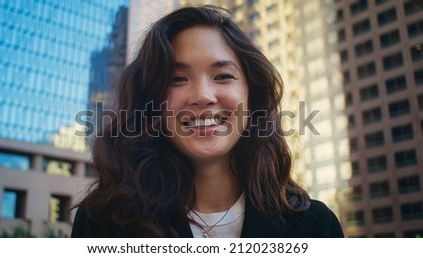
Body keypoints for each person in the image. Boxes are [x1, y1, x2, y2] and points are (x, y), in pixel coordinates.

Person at [71, 5, 344, 238]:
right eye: (177, 79)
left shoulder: (316, 225)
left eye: (223, 76)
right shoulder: (103, 223)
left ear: (252, 95)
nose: (202, 96)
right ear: (151, 103)